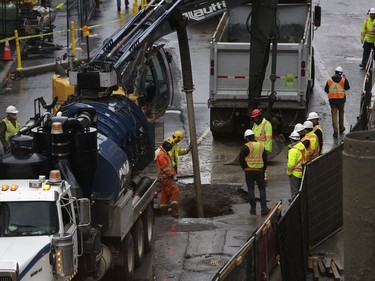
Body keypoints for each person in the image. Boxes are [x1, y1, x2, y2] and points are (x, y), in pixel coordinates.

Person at [239, 129, 270, 216]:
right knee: (262, 189)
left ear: (247, 138)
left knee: (251, 189)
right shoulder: (261, 146)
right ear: (254, 137)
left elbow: (241, 159)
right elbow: (265, 159)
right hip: (259, 170)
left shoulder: (246, 146)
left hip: (248, 171)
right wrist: (263, 169)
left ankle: (253, 209)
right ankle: (264, 208)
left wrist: (245, 168)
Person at [155, 137, 180, 218]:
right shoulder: (162, 154)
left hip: (163, 178)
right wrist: (170, 174)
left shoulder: (162, 152)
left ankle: (164, 211)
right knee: (175, 190)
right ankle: (174, 211)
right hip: (166, 177)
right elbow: (165, 167)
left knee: (165, 194)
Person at [324, 66, 350, 138]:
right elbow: (347, 87)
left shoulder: (329, 80)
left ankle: (335, 131)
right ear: (341, 73)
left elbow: (326, 90)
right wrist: (345, 78)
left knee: (334, 116)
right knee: (341, 114)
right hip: (341, 101)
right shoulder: (343, 80)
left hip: (332, 101)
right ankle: (341, 128)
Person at [251, 109, 272, 182]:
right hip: (255, 148)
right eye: (254, 118)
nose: (255, 119)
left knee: (263, 163)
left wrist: (266, 149)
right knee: (256, 164)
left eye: (256, 117)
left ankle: (264, 177)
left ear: (260, 116)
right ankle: (257, 177)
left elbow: (269, 138)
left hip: (263, 148)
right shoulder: (255, 125)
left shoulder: (267, 124)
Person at [287, 131, 306, 201]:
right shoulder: (302, 147)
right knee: (300, 190)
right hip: (302, 172)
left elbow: (291, 164)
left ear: (291, 140)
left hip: (294, 173)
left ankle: (294, 202)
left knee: (294, 191)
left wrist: (288, 172)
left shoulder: (293, 150)